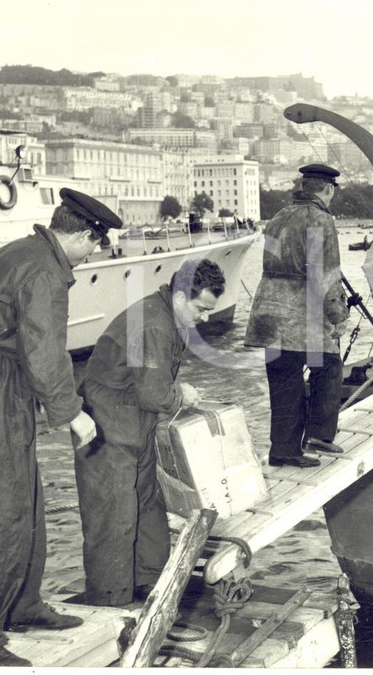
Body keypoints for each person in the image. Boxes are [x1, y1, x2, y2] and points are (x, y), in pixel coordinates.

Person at [0, 188, 121, 667]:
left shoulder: (21, 250)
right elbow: (45, 351)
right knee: (2, 511)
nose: (90, 258)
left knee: (27, 500)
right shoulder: (45, 270)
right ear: (84, 234)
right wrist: (72, 412)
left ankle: (21, 606)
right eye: (94, 247)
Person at [72, 258, 224, 606]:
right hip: (107, 426)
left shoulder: (167, 316)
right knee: (112, 514)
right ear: (181, 296)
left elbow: (149, 381)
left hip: (134, 421)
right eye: (201, 309)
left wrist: (172, 389)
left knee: (146, 504)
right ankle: (110, 599)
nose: (205, 317)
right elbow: (154, 393)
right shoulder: (155, 323)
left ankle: (150, 585)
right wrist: (180, 394)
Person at [245, 163, 350, 468]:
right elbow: (324, 273)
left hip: (267, 309)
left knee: (284, 382)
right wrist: (338, 314)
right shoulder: (320, 219)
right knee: (329, 366)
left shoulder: (278, 216)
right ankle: (318, 434)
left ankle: (282, 451)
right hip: (299, 311)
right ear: (327, 189)